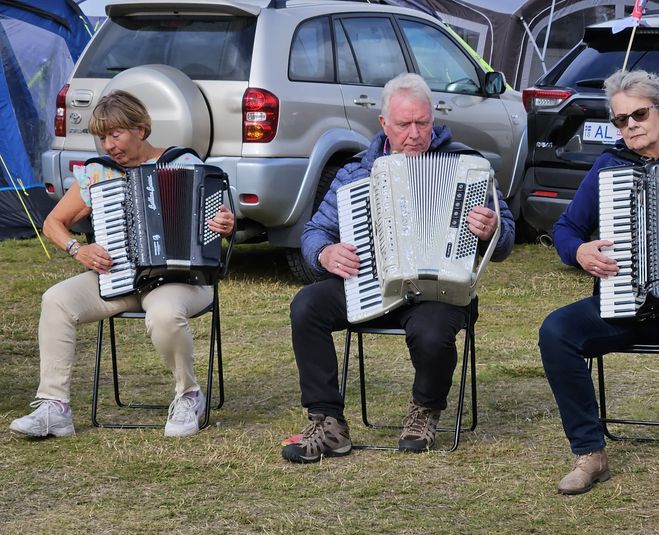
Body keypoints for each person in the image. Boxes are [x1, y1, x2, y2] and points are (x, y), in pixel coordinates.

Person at [281, 73, 515, 463]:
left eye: (422, 123)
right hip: (369, 284)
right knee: (307, 306)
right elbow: (314, 231)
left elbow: (506, 238)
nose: (414, 133)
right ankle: (329, 424)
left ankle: (424, 409)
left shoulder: (467, 165)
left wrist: (493, 230)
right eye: (404, 124)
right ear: (384, 124)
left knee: (432, 330)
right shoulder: (357, 171)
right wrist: (324, 253)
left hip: (440, 289)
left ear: (433, 119)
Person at [9, 90, 235, 439]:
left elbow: (218, 222)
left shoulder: (184, 163)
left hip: (181, 281)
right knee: (56, 300)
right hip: (119, 280)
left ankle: (189, 395)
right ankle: (55, 408)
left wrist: (223, 223)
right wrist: (77, 250)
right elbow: (53, 223)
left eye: (116, 134)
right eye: (102, 137)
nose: (108, 145)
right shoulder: (96, 174)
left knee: (163, 315)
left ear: (141, 129)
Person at [539, 70, 659, 494]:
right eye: (621, 119)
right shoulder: (608, 167)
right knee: (555, 331)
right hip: (620, 303)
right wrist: (579, 253)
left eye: (638, 114)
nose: (631, 125)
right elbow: (565, 229)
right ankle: (589, 453)